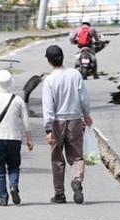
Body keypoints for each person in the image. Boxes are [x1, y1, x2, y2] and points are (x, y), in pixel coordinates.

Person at [42, 45, 93, 204]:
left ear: (49, 61)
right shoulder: (75, 74)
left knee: (57, 158)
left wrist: (49, 129)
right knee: (77, 156)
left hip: (57, 122)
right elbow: (83, 98)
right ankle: (77, 179)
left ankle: (59, 194)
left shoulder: (50, 80)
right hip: (75, 120)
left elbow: (48, 107)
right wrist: (86, 115)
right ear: (63, 57)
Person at [0, 70, 34, 207]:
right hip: (14, 139)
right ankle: (14, 185)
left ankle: (3, 199)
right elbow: (26, 122)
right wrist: (29, 139)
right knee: (14, 166)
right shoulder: (18, 100)